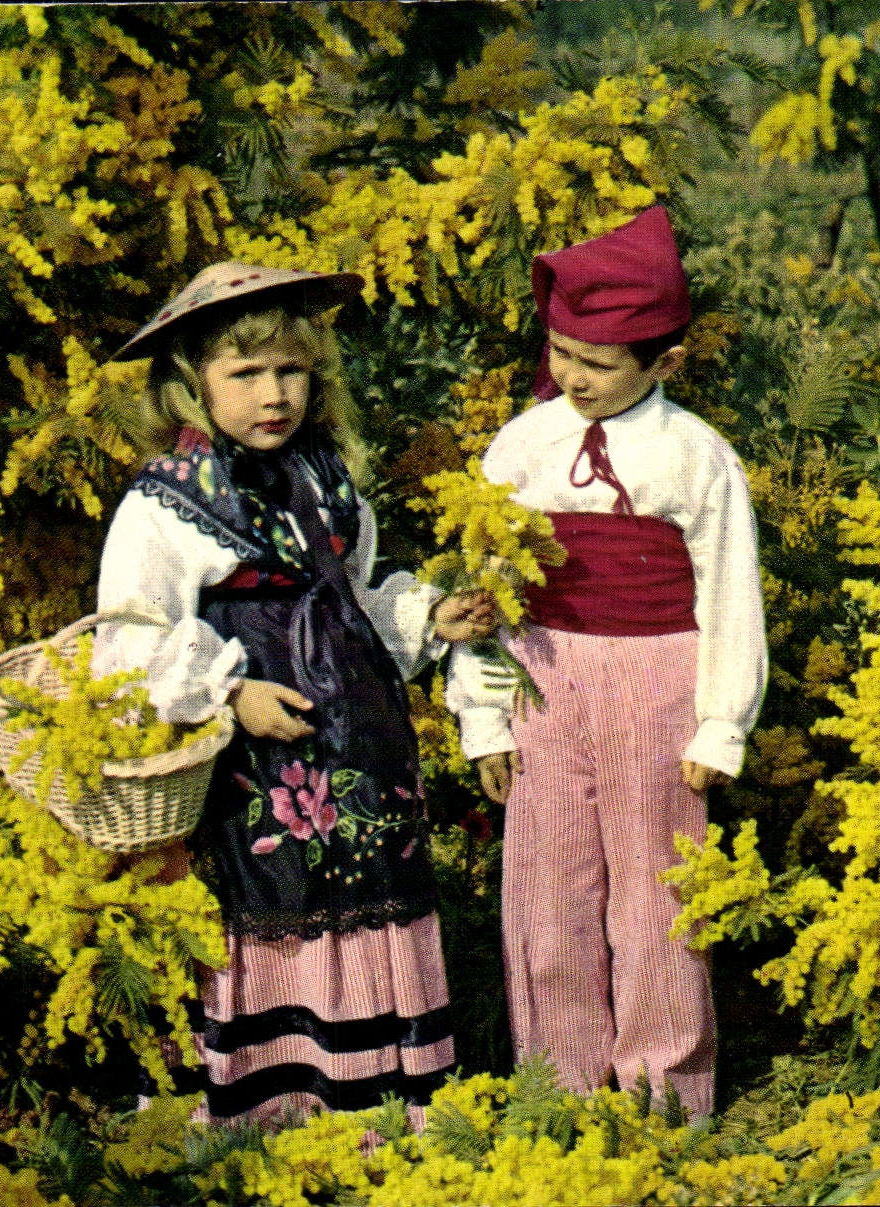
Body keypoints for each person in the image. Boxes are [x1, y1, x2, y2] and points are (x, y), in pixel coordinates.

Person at [94, 261, 497, 1126]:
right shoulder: (167, 502)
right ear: (192, 385)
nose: (272, 394)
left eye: (291, 371)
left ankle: (373, 1104)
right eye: (245, 375)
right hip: (253, 758)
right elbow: (132, 636)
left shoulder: (327, 476)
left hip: (359, 735)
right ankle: (266, 1111)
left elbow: (350, 595)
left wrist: (428, 617)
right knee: (272, 899)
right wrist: (231, 696)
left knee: (364, 890)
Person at [445, 205, 768, 1122]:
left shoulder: (694, 455)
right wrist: (481, 714)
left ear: (663, 363)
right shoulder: (522, 444)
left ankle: (666, 1093)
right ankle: (562, 1091)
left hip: (657, 678)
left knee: (657, 898)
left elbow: (729, 591)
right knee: (547, 898)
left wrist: (720, 723)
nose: (572, 378)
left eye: (597, 363)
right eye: (560, 353)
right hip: (543, 675)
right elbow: (489, 585)